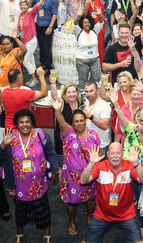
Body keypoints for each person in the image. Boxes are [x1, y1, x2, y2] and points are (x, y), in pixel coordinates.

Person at [0, 109, 60, 243]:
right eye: (21, 122)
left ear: (32, 123)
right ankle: (19, 232)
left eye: (27, 122)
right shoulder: (11, 139)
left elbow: (51, 153)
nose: (24, 125)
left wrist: (55, 171)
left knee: (43, 208)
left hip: (39, 182)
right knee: (20, 210)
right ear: (16, 124)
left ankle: (47, 233)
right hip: (19, 184)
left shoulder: (41, 135)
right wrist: (3, 145)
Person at [50, 93, 100, 236]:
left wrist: (97, 170)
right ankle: (72, 221)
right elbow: (61, 123)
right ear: (72, 123)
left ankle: (89, 216)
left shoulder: (93, 135)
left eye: (81, 120)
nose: (79, 123)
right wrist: (58, 110)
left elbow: (97, 155)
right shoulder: (68, 133)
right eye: (76, 121)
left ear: (85, 121)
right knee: (72, 201)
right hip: (71, 176)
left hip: (90, 174)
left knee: (90, 197)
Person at [79, 140, 143, 243]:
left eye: (118, 153)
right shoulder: (99, 167)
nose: (115, 156)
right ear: (108, 154)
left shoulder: (129, 166)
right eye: (112, 153)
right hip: (102, 215)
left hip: (127, 215)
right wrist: (91, 163)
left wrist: (136, 164)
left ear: (122, 154)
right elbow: (83, 181)